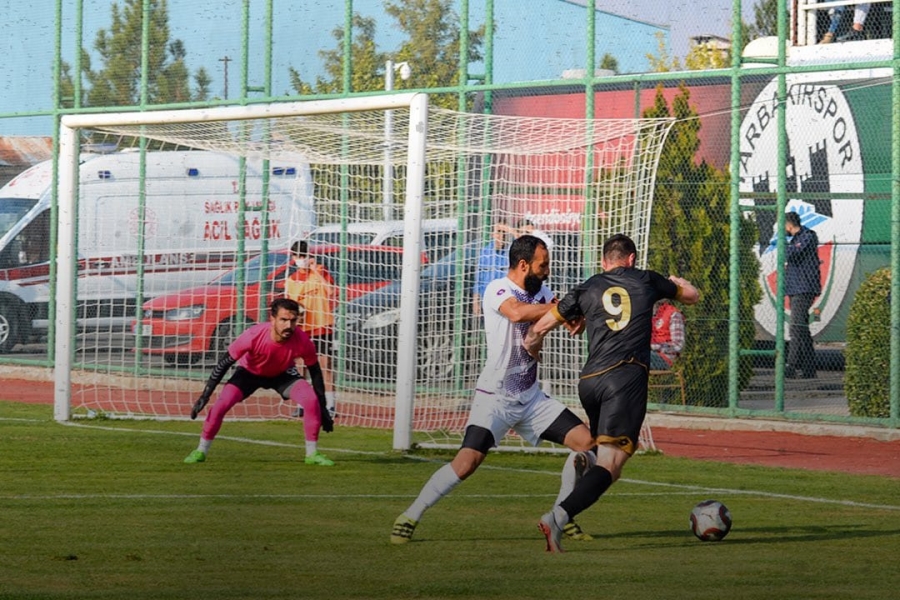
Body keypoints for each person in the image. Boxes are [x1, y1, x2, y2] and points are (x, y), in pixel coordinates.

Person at [390, 235, 595, 545]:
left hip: (531, 399)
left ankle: (560, 516)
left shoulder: (542, 292)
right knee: (466, 464)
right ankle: (410, 515)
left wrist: (577, 318)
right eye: (542, 265)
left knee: (588, 445)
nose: (547, 272)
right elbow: (517, 313)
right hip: (495, 399)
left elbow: (566, 320)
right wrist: (559, 310)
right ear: (523, 265)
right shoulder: (497, 288)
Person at [523, 233, 699, 552]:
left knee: (603, 455)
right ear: (631, 259)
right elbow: (691, 296)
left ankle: (585, 460)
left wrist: (532, 348)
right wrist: (679, 283)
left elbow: (540, 328)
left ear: (604, 262)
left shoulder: (588, 286)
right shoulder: (647, 279)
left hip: (590, 382)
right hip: (624, 378)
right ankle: (558, 516)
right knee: (612, 463)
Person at [183, 297, 335, 466]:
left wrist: (323, 408)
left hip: (282, 374)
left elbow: (315, 372)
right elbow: (224, 363)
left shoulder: (303, 340)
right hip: (249, 373)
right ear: (272, 319)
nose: (288, 325)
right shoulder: (253, 335)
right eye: (283, 320)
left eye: (293, 321)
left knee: (311, 400)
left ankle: (312, 454)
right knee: (221, 405)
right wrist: (205, 395)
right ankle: (201, 451)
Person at [285, 240, 337, 416]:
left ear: (310, 256)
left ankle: (329, 405)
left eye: (304, 256)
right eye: (298, 256)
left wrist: (315, 270)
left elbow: (331, 291)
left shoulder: (320, 271)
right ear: (293, 258)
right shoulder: (292, 280)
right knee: (301, 366)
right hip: (302, 328)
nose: (301, 259)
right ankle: (302, 404)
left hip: (321, 325)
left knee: (325, 365)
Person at [784, 211, 822, 379]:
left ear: (789, 225)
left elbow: (791, 253)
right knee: (802, 329)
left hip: (804, 288)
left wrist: (786, 247)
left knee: (795, 328)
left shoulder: (808, 236)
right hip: (795, 288)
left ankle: (790, 366)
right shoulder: (795, 240)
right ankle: (809, 369)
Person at [472, 220, 517, 315]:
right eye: (498, 232)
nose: (501, 236)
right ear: (492, 234)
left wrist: (513, 231)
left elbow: (526, 247)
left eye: (504, 232)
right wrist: (476, 300)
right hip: (487, 300)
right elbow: (478, 279)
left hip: (506, 301)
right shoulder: (485, 252)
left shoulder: (513, 251)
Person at [650, 299, 685, 370]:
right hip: (648, 354)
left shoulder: (674, 314)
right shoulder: (647, 313)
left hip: (665, 358)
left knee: (640, 358)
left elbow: (678, 345)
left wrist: (654, 347)